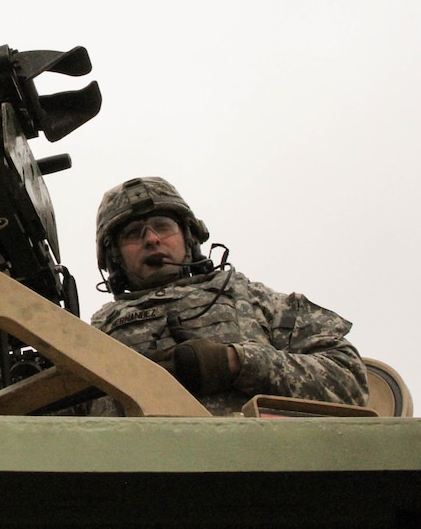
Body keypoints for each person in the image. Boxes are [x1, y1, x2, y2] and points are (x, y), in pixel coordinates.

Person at [90, 176, 368, 416]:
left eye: (162, 226)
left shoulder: (252, 299)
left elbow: (350, 381)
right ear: (115, 257)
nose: (152, 239)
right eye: (133, 234)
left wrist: (236, 362)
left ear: (188, 237)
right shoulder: (91, 336)